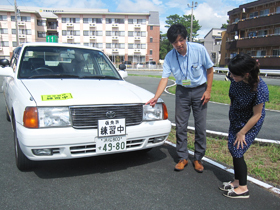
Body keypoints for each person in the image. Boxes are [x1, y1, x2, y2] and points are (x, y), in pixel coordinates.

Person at [146, 23, 214, 173]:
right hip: (182, 91)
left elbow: (210, 69)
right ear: (171, 43)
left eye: (181, 40)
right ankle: (182, 157)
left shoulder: (199, 50)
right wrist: (156, 97)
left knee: (200, 126)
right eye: (175, 42)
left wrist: (208, 91)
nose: (179, 44)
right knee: (180, 125)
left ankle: (198, 158)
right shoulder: (170, 57)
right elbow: (164, 78)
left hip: (199, 90)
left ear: (186, 39)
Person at [220, 53, 269, 198]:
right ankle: (237, 181)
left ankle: (243, 188)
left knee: (238, 150)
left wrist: (242, 132)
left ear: (246, 74)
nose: (232, 77)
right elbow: (233, 97)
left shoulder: (260, 88)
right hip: (236, 118)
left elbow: (257, 115)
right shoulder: (236, 79)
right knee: (232, 147)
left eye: (235, 75)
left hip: (249, 122)